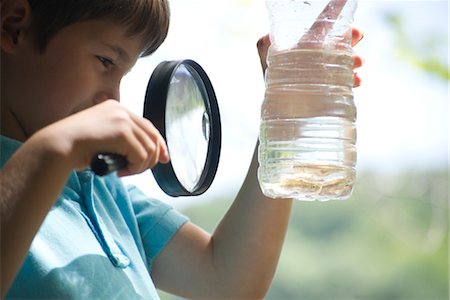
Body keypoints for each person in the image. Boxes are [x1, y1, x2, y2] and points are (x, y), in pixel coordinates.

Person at [0, 0, 364, 298]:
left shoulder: (100, 188)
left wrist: (286, 118)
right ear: (13, 27)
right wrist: (53, 150)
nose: (112, 98)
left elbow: (228, 281)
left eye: (122, 75)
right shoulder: (51, 160)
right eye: (105, 61)